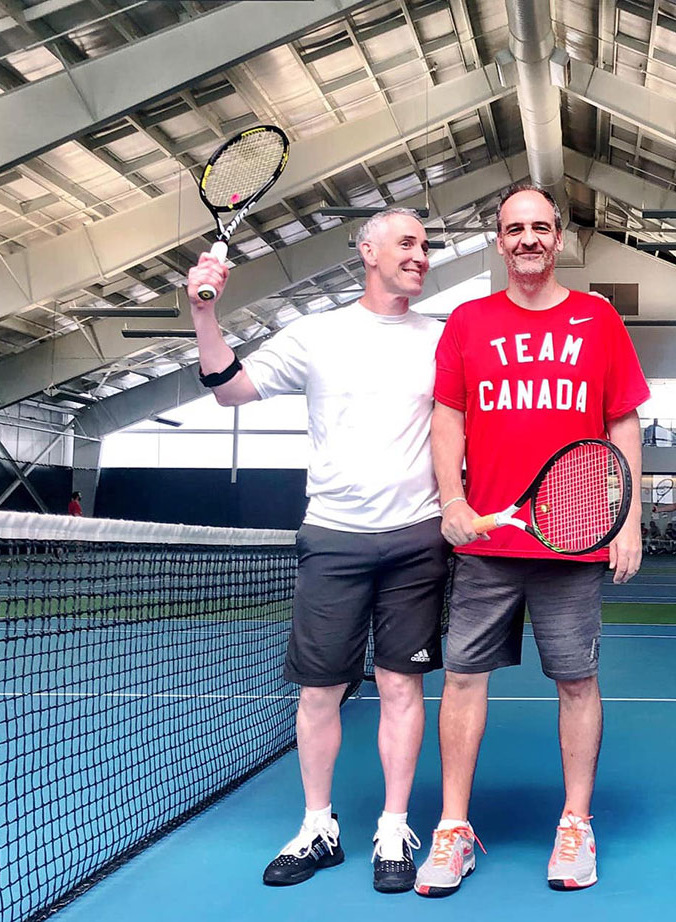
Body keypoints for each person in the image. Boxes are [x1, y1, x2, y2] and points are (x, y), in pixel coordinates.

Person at [187, 207, 447, 894]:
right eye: (406, 243)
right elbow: (230, 390)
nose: (420, 254)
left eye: (425, 245)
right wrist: (204, 314)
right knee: (320, 690)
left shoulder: (444, 340)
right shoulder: (317, 334)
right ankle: (317, 827)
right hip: (332, 536)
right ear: (366, 250)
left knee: (400, 685)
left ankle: (393, 827)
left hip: (418, 536)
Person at [421, 183, 648, 896]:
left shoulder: (598, 319)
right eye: (514, 228)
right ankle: (453, 828)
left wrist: (629, 517)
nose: (527, 239)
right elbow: (447, 417)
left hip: (572, 540)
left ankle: (575, 824)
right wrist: (452, 500)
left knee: (578, 682)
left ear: (559, 239)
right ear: (499, 240)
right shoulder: (466, 321)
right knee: (462, 679)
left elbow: (623, 424)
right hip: (487, 539)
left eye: (540, 227)